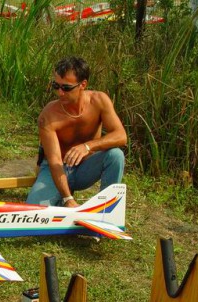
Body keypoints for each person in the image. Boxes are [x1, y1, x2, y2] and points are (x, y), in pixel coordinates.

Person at [26, 56, 127, 207]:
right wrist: (68, 199)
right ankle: (62, 199)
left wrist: (87, 146)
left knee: (115, 155)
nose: (60, 92)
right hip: (56, 170)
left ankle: (107, 209)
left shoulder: (99, 101)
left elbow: (121, 136)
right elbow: (54, 161)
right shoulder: (48, 115)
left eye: (66, 88)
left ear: (83, 84)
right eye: (56, 85)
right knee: (34, 210)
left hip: (85, 168)